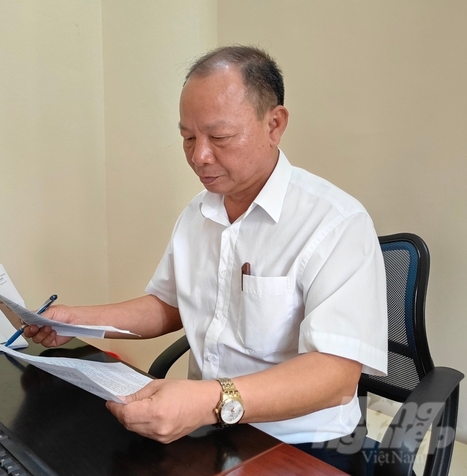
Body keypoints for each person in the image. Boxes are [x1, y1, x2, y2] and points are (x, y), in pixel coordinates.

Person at [24, 45, 387, 475]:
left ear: (274, 124)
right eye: (187, 137)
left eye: (219, 137)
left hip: (303, 444)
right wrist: (73, 320)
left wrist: (209, 398)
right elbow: (168, 306)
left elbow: (337, 377)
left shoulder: (335, 222)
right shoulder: (199, 212)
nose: (199, 156)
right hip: (213, 430)